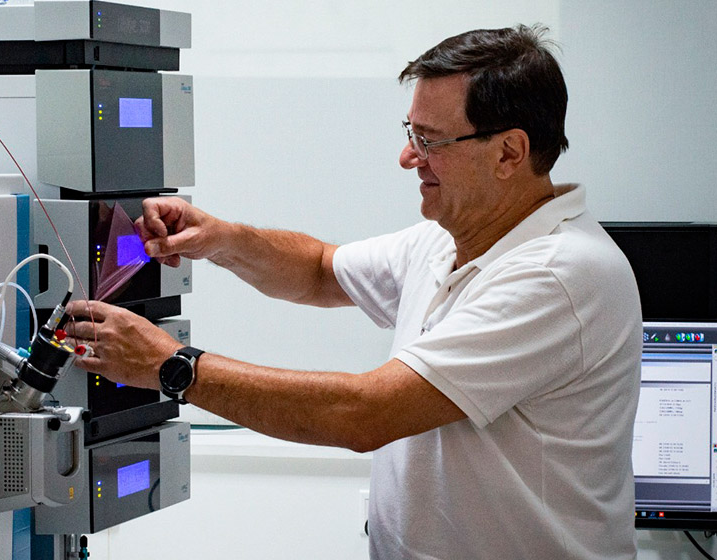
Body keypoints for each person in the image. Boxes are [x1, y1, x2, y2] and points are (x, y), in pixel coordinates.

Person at [64, 24, 642, 559]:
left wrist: (172, 366)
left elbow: (364, 414)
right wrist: (218, 238)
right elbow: (318, 269)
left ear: (509, 153)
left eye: (430, 141)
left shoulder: (557, 274)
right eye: (409, 133)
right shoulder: (448, 241)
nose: (407, 157)